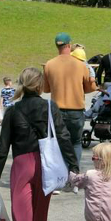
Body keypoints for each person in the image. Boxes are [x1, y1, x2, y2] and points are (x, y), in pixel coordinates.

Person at [0, 67, 79, 221]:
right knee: (40, 214)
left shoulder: (12, 110)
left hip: (21, 165)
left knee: (22, 217)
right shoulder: (50, 107)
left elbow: (2, 148)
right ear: (40, 85)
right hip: (46, 165)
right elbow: (64, 137)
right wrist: (73, 166)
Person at [44, 33, 96, 170]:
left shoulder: (49, 64)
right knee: (76, 143)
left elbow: (46, 89)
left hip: (57, 110)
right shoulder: (80, 65)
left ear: (57, 46)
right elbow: (90, 88)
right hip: (76, 110)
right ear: (69, 45)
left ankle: (59, 175)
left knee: (58, 143)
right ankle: (74, 175)